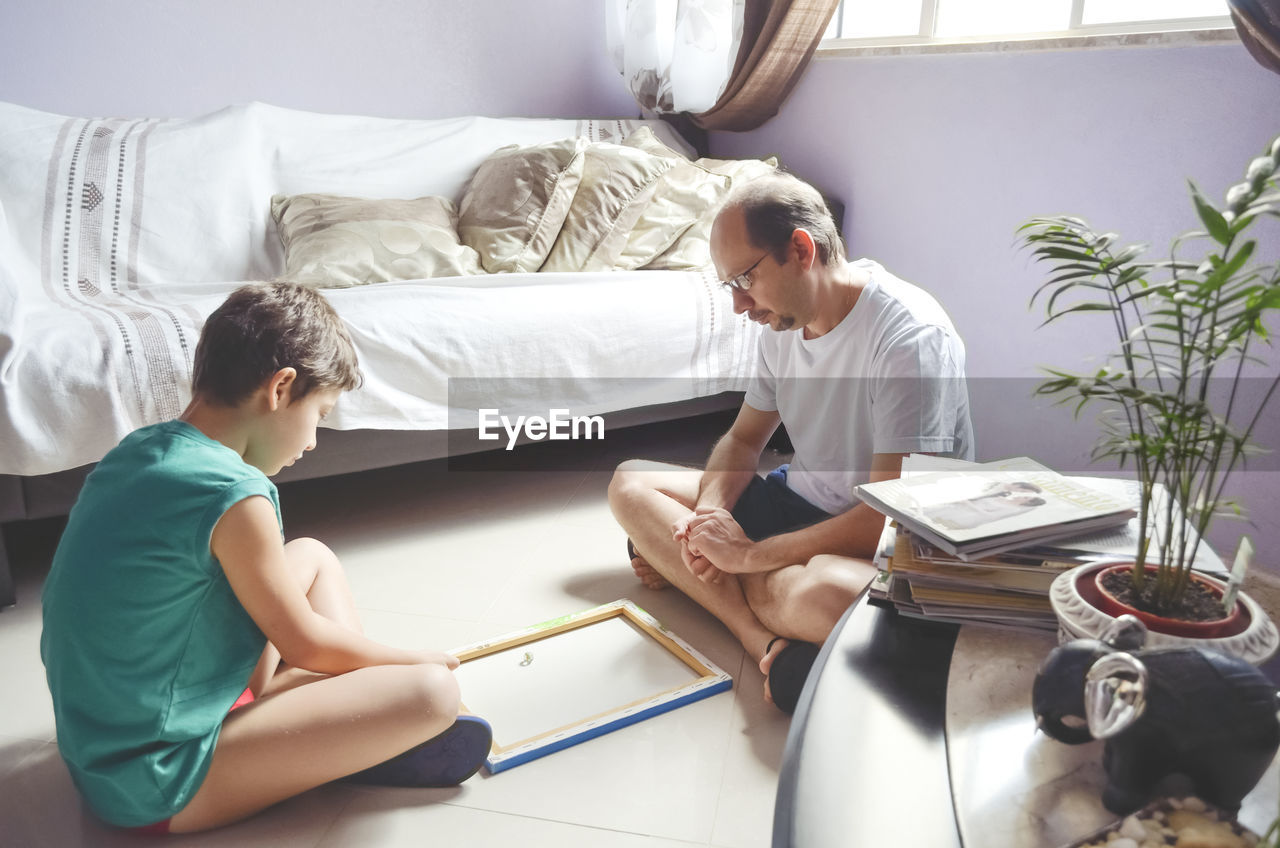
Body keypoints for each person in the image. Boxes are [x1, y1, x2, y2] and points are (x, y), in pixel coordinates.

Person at [40, 283, 491, 835]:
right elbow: (306, 643)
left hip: (106, 745)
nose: (313, 441)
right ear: (281, 388)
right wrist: (415, 659)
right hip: (156, 782)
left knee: (312, 556)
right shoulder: (236, 493)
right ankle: (345, 736)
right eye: (319, 415)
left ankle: (327, 722)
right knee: (432, 691)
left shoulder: (140, 447)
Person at [608, 172, 974, 714]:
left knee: (823, 593)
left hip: (890, 542)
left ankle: (714, 580)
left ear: (800, 250)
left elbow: (887, 519)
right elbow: (742, 440)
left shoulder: (909, 340)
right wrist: (707, 522)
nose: (739, 306)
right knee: (631, 483)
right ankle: (764, 642)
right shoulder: (781, 326)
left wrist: (747, 555)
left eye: (744, 281)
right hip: (798, 503)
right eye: (730, 287)